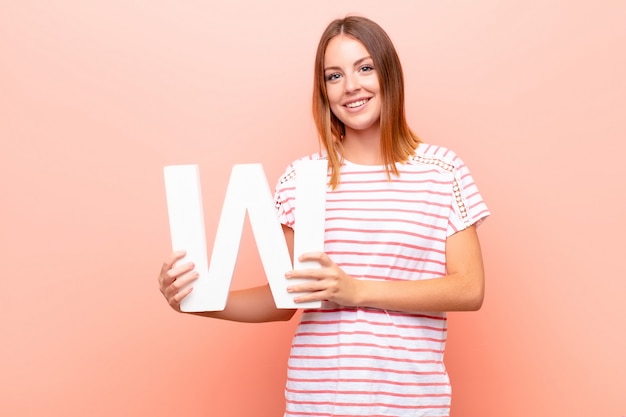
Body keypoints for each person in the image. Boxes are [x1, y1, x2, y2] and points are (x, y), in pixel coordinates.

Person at [159, 15, 490, 417]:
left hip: (411, 404)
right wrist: (196, 301)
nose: (351, 86)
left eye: (364, 68)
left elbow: (469, 288)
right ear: (324, 91)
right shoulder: (303, 178)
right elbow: (283, 302)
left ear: (389, 73)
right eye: (334, 76)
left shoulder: (442, 170)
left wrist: (356, 290)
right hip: (316, 403)